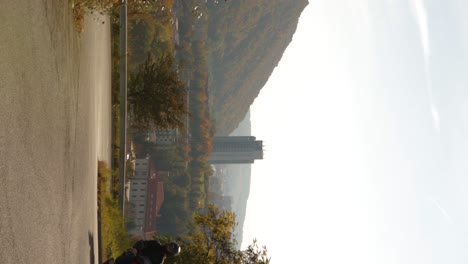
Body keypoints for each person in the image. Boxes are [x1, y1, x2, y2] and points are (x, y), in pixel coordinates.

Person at [110, 240, 181, 264]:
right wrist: (136, 249)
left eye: (171, 249)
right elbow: (142, 243)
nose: (169, 247)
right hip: (134, 257)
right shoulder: (155, 244)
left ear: (171, 253)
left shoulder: (160, 261)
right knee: (120, 260)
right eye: (170, 246)